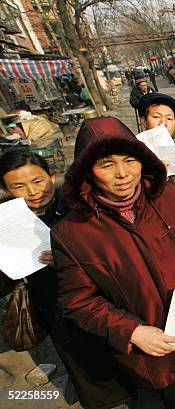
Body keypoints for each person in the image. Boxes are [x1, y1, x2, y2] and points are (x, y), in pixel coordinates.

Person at [51, 117, 175, 409]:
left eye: (130, 160)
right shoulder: (71, 233)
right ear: (88, 171)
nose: (123, 174)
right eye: (106, 165)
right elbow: (78, 301)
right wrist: (132, 332)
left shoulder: (171, 196)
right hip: (154, 348)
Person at [0, 150, 134, 409]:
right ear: (6, 189)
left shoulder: (79, 204)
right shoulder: (6, 222)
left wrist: (70, 254)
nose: (32, 191)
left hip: (104, 299)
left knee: (121, 352)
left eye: (38, 181)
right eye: (18, 186)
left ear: (52, 177)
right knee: (90, 371)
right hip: (58, 311)